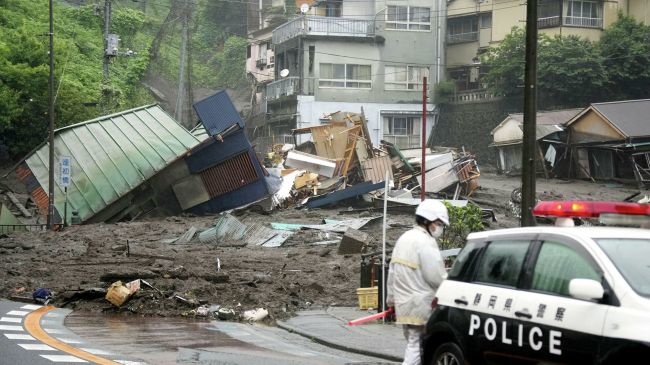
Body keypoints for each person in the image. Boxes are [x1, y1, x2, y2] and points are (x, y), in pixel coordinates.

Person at [386, 199, 449, 365]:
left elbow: (392, 273)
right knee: (416, 347)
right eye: (439, 223)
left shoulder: (404, 239)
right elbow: (435, 276)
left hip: (404, 305)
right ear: (427, 221)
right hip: (420, 306)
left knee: (413, 344)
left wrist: (391, 301)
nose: (440, 227)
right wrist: (451, 291)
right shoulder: (426, 242)